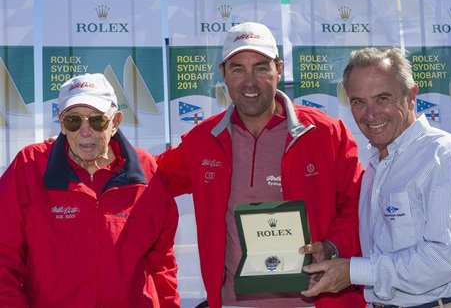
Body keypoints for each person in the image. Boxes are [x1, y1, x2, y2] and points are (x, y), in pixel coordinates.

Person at [157, 22, 365, 307]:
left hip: (317, 301)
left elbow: (359, 204)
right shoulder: (202, 141)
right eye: (238, 69)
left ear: (279, 69)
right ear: (224, 75)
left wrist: (331, 246)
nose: (249, 81)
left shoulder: (327, 133)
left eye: (261, 67)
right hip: (233, 302)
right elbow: (148, 179)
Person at [301, 47, 451, 308]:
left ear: (411, 97)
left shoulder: (442, 156)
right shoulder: (377, 164)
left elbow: (443, 259)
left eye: (383, 98)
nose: (370, 114)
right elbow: (384, 252)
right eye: (359, 102)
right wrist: (331, 252)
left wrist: (355, 271)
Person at [0, 73, 180, 307]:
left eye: (97, 121)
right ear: (61, 122)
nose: (85, 132)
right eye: (74, 121)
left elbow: (162, 266)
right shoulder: (29, 167)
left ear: (115, 122)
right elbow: (4, 259)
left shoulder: (147, 173)